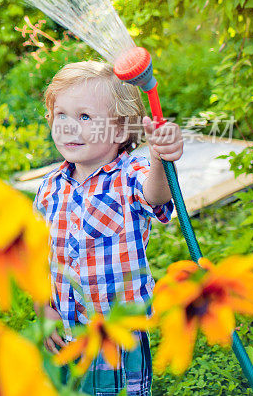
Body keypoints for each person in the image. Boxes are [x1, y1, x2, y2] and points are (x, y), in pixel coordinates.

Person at [34, 61, 183, 396]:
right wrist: (44, 309)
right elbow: (40, 258)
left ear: (118, 131)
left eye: (85, 117)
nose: (70, 127)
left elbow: (155, 195)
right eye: (61, 115)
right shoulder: (50, 186)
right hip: (68, 331)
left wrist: (161, 159)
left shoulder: (129, 175)